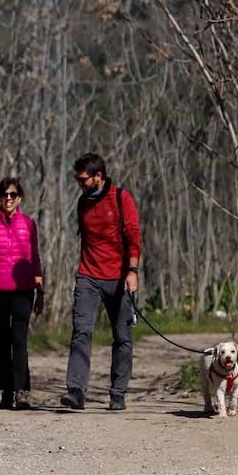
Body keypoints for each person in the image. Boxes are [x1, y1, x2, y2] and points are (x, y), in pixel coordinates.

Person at [60, 153, 143, 411]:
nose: (80, 184)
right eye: (77, 180)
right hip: (88, 276)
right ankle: (75, 390)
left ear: (98, 176)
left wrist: (132, 270)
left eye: (83, 179)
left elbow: (133, 234)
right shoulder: (82, 203)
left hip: (118, 278)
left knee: (122, 337)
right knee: (81, 332)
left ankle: (118, 392)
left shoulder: (121, 198)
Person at [0, 177, 44, 410]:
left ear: (20, 198)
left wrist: (40, 291)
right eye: (4, 194)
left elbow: (35, 258)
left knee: (19, 340)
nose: (8, 198)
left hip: (23, 290)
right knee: (3, 341)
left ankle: (22, 391)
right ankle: (6, 391)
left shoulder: (28, 224)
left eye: (13, 194)